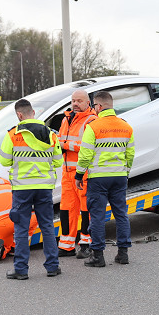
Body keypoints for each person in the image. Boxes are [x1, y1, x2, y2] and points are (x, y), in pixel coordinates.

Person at [0, 98, 63, 280]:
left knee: (21, 228)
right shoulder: (50, 134)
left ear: (19, 115)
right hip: (44, 187)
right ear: (33, 112)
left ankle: (21, 270)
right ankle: (52, 267)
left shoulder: (12, 135)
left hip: (22, 188)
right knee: (47, 226)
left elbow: (4, 160)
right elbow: (58, 160)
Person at [76, 90, 135, 267]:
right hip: (119, 177)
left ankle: (98, 256)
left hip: (99, 178)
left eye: (94, 106)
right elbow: (130, 154)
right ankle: (123, 254)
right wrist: (125, 172)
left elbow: (85, 154)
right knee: (121, 214)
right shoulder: (126, 126)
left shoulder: (93, 127)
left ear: (99, 106)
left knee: (98, 217)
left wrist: (79, 174)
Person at [58, 89, 97, 259]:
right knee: (67, 209)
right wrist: (63, 144)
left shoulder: (92, 120)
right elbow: (59, 140)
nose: (75, 104)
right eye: (73, 100)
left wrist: (65, 144)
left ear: (88, 103)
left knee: (85, 209)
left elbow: (88, 146)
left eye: (79, 101)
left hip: (84, 173)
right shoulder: (66, 119)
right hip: (67, 173)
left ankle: (86, 244)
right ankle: (66, 246)